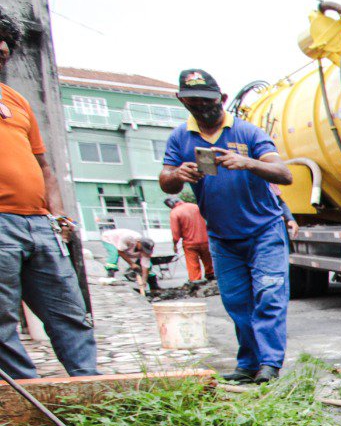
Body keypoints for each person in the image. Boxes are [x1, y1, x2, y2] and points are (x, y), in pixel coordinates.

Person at [158, 69, 291, 383]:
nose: (203, 108)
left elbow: (284, 174)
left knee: (269, 297)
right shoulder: (180, 138)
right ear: (181, 100)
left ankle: (270, 365)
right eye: (193, 102)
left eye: (209, 101)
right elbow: (165, 181)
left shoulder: (247, 133)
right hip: (222, 237)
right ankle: (248, 364)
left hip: (263, 231)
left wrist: (246, 162)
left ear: (223, 99)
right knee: (237, 303)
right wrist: (178, 174)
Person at [0, 9, 98, 379]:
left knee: (69, 310)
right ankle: (28, 395)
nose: (3, 47)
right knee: (1, 319)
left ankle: (88, 384)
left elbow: (45, 168)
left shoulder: (17, 101)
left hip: (40, 225)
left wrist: (58, 218)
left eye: (6, 41)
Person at [165, 195, 212, 281]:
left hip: (190, 244)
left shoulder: (175, 212)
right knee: (209, 263)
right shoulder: (196, 207)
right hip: (206, 241)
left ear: (171, 204)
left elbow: (175, 232)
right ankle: (211, 277)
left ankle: (196, 281)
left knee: (193, 265)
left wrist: (175, 244)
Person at [102, 227, 158, 295]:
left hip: (126, 247)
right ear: (138, 242)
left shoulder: (145, 250)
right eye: (143, 249)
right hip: (110, 239)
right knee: (114, 253)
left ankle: (154, 288)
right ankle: (110, 276)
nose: (144, 251)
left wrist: (144, 280)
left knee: (148, 266)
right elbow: (120, 251)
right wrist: (132, 264)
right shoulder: (128, 238)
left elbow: (145, 266)